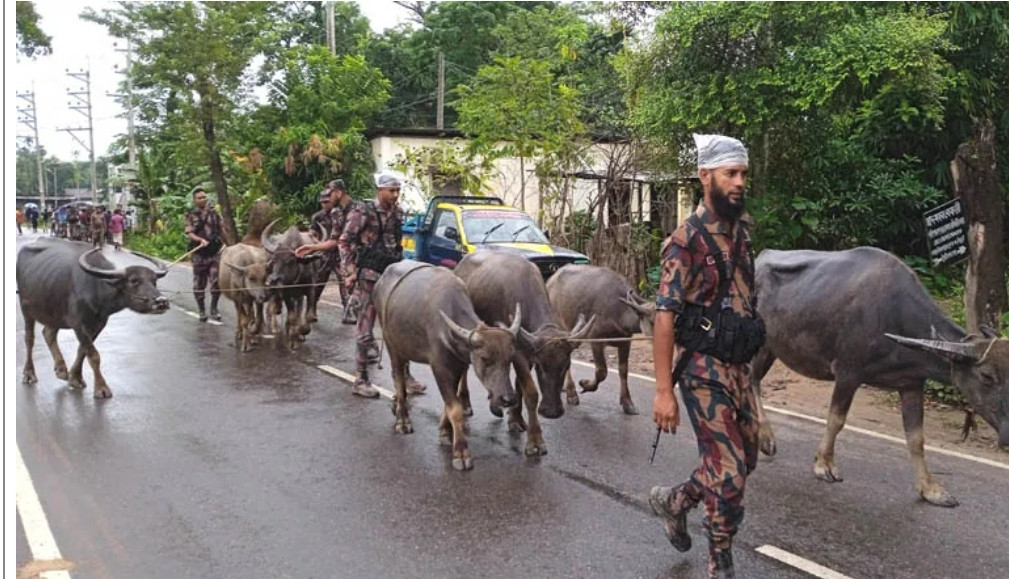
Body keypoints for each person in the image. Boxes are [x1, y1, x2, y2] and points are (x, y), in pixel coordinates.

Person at [649, 134, 764, 579]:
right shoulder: (686, 241)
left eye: (743, 174)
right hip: (701, 371)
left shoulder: (741, 233)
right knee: (730, 472)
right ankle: (720, 562)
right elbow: (664, 317)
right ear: (705, 176)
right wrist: (663, 391)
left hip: (738, 368)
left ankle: (676, 501)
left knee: (744, 460)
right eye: (730, 174)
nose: (739, 183)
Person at [185, 187, 225, 322]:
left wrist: (229, 244)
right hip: (199, 253)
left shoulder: (214, 213)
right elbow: (190, 233)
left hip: (214, 252)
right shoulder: (191, 215)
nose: (203, 199)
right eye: (199, 198)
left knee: (216, 281)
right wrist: (199, 240)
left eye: (204, 197)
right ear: (194, 200)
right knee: (199, 284)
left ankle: (214, 308)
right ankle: (202, 310)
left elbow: (221, 229)